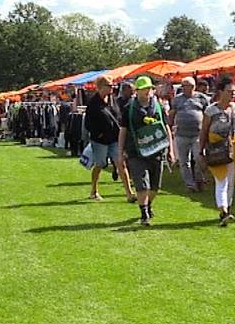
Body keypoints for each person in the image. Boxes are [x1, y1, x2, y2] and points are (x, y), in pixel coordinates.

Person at [121, 76, 173, 226]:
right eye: (143, 89)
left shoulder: (158, 106)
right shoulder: (129, 108)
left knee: (155, 186)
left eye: (149, 89)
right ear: (136, 91)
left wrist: (170, 149)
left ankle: (148, 204)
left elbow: (166, 127)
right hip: (135, 151)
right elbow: (123, 130)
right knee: (142, 183)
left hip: (156, 150)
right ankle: (144, 212)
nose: (146, 92)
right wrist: (120, 150)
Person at [200, 77, 235, 227]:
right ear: (220, 92)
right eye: (229, 91)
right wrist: (201, 150)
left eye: (234, 92)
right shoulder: (211, 111)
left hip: (234, 149)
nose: (233, 94)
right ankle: (223, 209)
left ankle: (227, 208)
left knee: (231, 181)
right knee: (221, 180)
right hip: (216, 149)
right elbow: (204, 131)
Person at [83, 76, 133, 203]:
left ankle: (129, 193)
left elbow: (119, 116)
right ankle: (94, 190)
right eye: (109, 86)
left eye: (112, 85)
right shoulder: (93, 103)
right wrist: (99, 134)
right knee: (100, 165)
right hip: (100, 141)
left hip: (114, 139)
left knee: (121, 164)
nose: (112, 88)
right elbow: (88, 124)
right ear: (100, 87)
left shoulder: (113, 100)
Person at [170, 76, 209, 193]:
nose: (184, 88)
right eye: (183, 86)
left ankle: (199, 179)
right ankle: (190, 184)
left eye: (186, 86)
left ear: (193, 86)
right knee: (184, 162)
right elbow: (172, 113)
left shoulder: (202, 98)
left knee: (199, 158)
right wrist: (170, 125)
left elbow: (207, 114)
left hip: (198, 134)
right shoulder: (177, 100)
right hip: (181, 135)